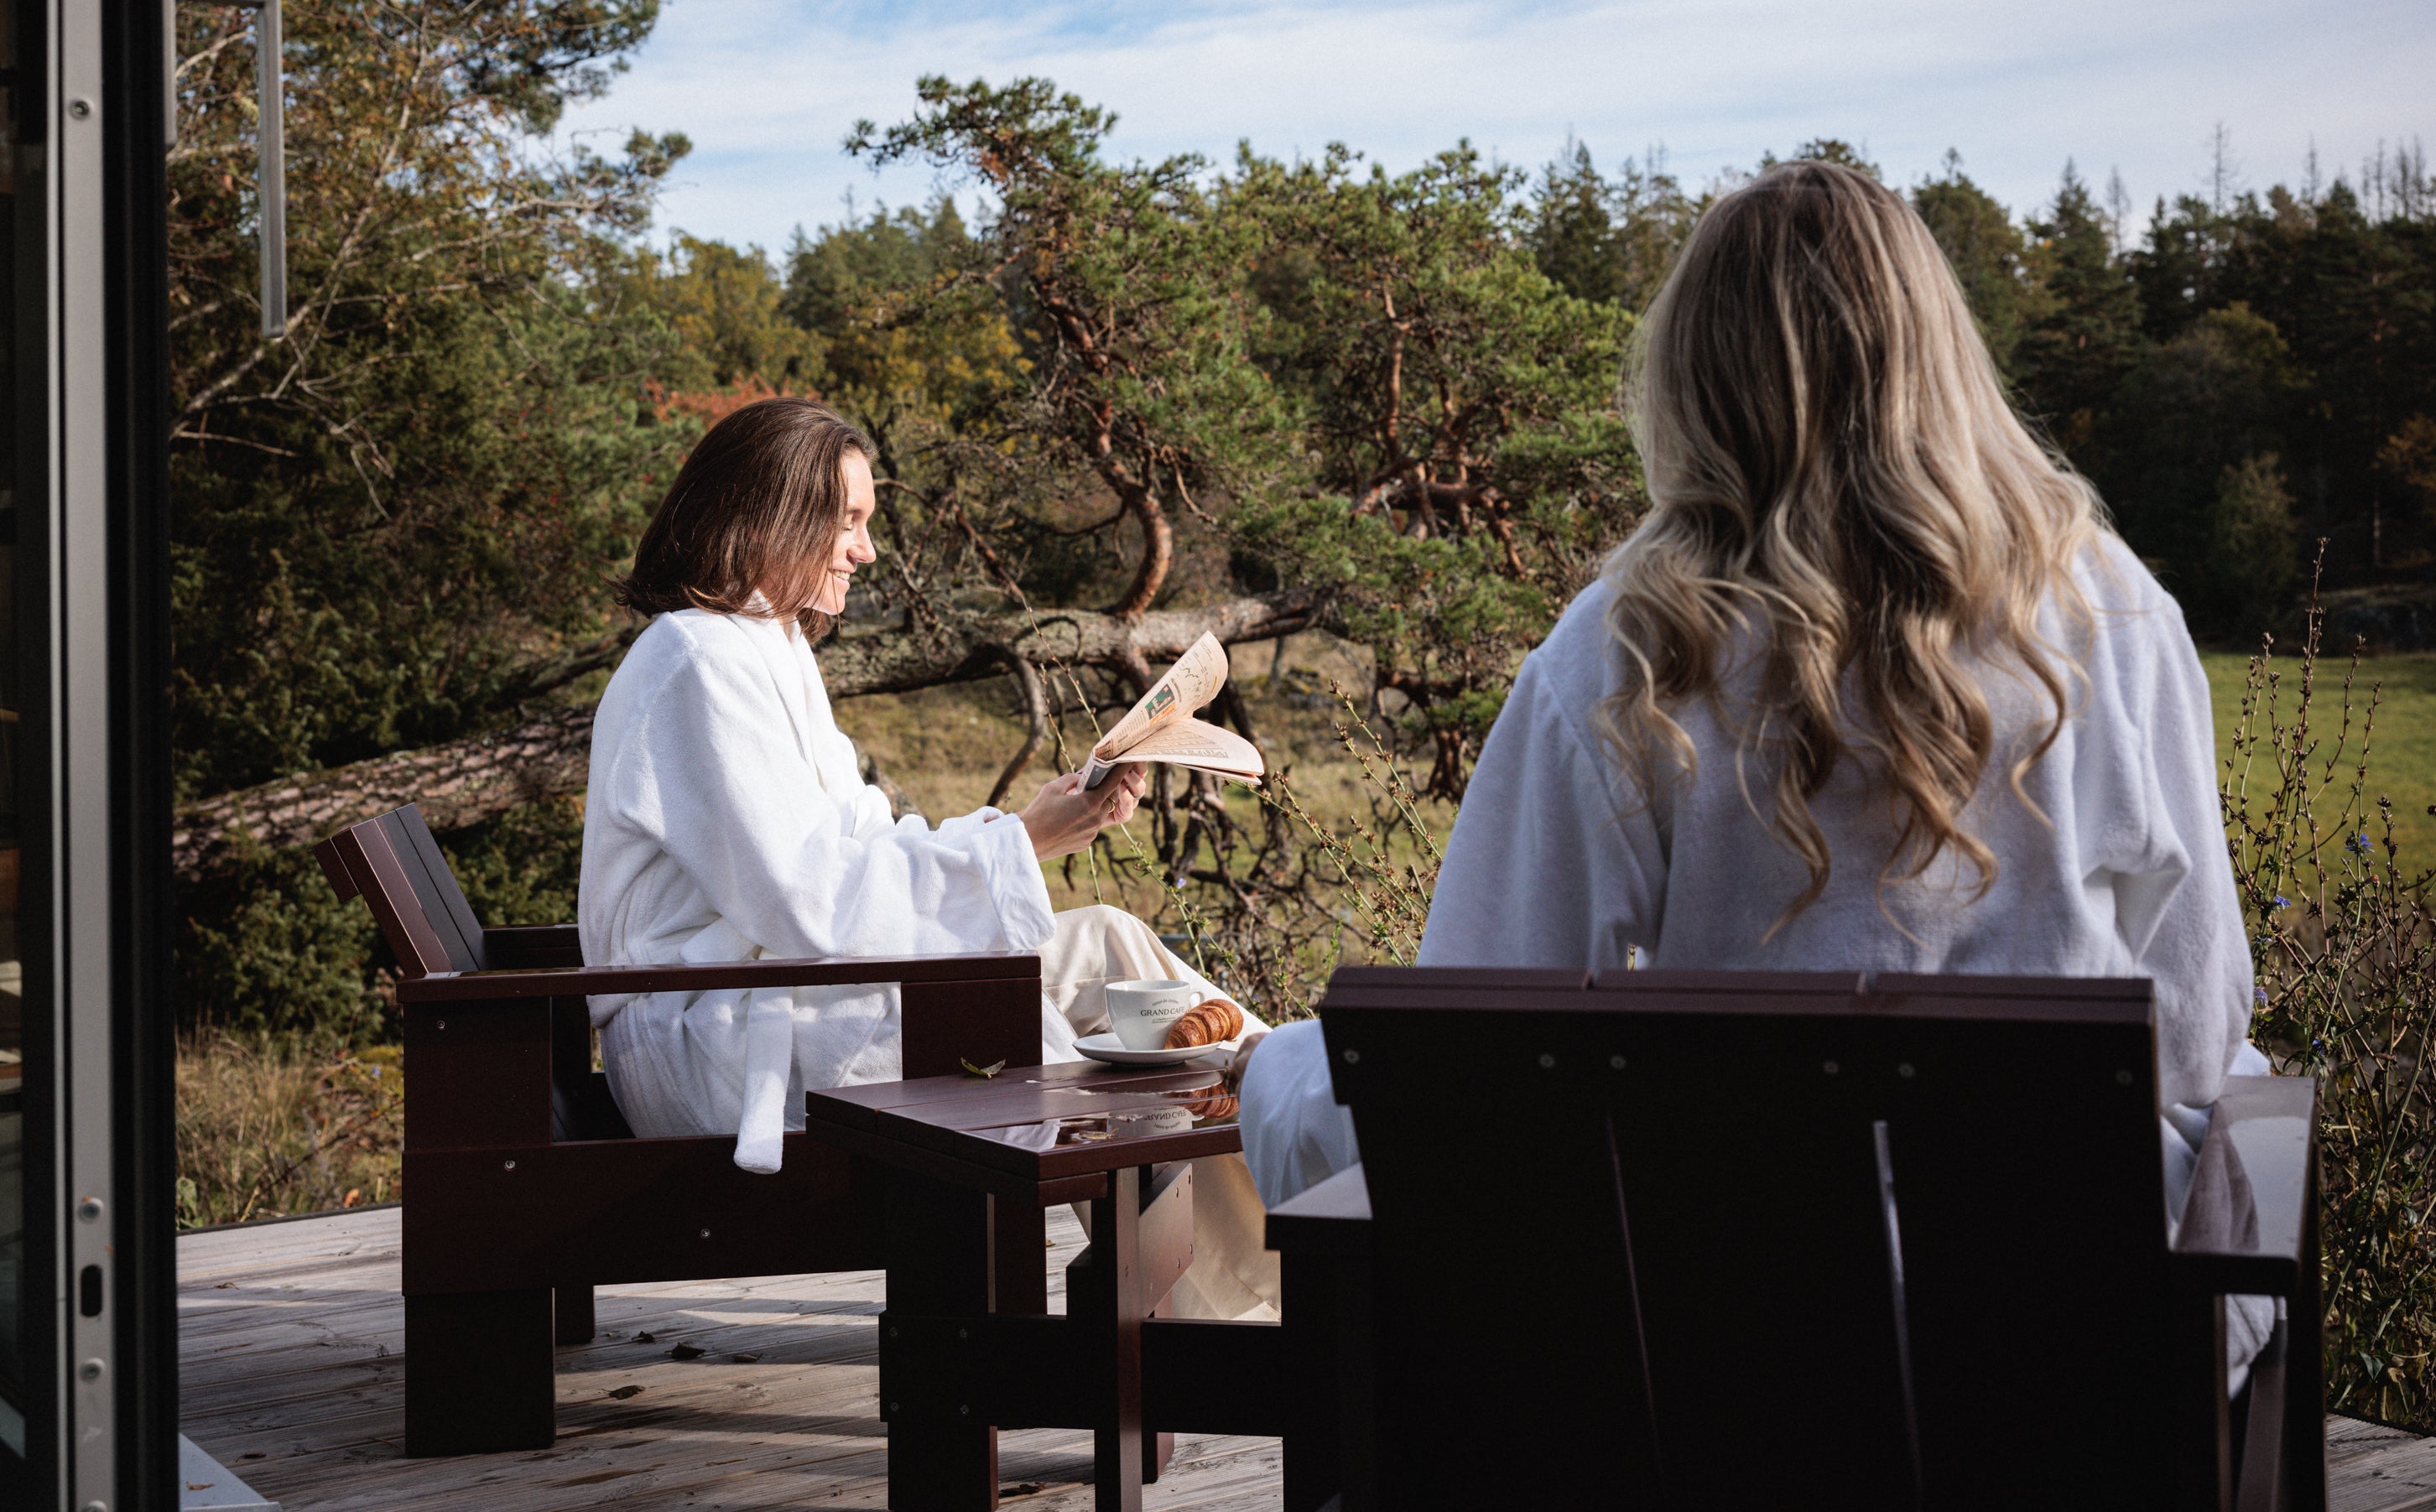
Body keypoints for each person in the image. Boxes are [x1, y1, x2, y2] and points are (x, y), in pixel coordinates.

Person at [1236, 158, 2270, 1380]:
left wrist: (1270, 1082)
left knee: (1297, 1082)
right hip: (2075, 1358)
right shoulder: (2112, 617)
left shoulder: (1623, 651)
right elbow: (2198, 1029)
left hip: (1731, 1363)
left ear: (1698, 379)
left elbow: (1470, 1067)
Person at [580, 397, 1277, 1319]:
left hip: (780, 996)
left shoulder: (764, 648)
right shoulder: (696, 661)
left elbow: (858, 849)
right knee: (1026, 1034)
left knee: (1111, 946)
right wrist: (1027, 840)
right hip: (713, 1042)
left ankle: (1305, 1148)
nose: (865, 551)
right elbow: (807, 902)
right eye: (849, 521)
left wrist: (1029, 830)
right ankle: (1239, 1297)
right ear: (773, 514)